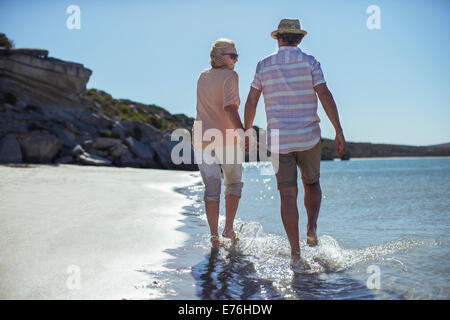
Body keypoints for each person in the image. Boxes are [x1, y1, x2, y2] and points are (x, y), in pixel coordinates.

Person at [244, 19, 346, 260]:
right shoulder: (311, 62)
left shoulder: (264, 65)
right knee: (311, 184)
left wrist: (247, 130)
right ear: (299, 39)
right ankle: (311, 227)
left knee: (287, 195)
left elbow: (251, 100)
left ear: (278, 38)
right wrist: (338, 130)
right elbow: (324, 94)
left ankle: (295, 253)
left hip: (279, 140)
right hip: (308, 136)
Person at [192, 38, 245, 247]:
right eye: (232, 56)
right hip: (225, 138)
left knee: (211, 188)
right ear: (220, 57)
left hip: (201, 138)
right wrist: (242, 134)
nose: (236, 60)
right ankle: (228, 229)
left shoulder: (202, 76)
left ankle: (214, 237)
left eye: (237, 56)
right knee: (233, 184)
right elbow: (230, 108)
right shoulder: (231, 76)